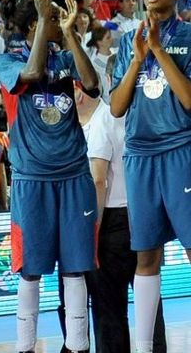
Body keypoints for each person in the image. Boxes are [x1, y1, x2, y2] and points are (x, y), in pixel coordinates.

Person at [0, 0, 99, 353]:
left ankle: (79, 346)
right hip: (32, 178)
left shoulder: (66, 56)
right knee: (30, 269)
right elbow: (33, 71)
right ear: (34, 25)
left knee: (76, 267)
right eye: (53, 18)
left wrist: (69, 34)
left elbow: (95, 85)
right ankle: (25, 347)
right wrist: (43, 30)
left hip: (73, 174)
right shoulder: (5, 61)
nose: (60, 22)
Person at [110, 0, 191, 353]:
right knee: (145, 254)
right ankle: (143, 347)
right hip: (139, 155)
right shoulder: (128, 41)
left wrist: (159, 48)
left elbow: (190, 102)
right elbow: (116, 107)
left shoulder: (190, 37)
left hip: (181, 151)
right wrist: (139, 58)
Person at [75, 86, 167, 353]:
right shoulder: (143, 115)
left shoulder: (105, 118)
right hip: (145, 212)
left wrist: (93, 229)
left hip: (113, 221)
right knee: (149, 302)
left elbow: (98, 178)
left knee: (108, 309)